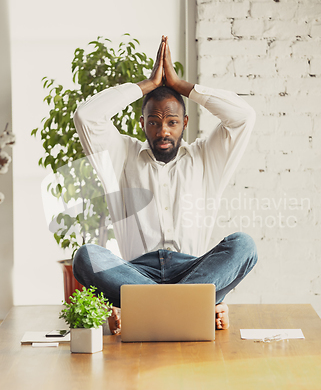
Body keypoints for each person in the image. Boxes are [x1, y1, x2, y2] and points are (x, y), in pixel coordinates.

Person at [72, 35, 258, 334]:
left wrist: (182, 85)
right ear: (142, 123)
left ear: (184, 122)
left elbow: (243, 117)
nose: (163, 130)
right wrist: (147, 84)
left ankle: (150, 309)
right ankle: (192, 308)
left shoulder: (204, 157)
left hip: (191, 269)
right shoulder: (122, 154)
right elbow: (86, 115)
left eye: (172, 122)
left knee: (244, 245)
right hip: (136, 272)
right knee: (85, 256)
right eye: (155, 122)